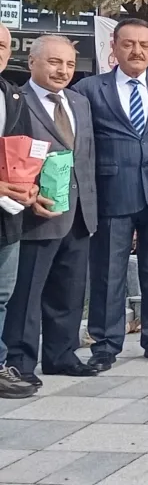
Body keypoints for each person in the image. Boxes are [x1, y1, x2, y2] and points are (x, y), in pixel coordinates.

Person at [74, 17, 148, 368]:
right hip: (111, 193)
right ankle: (105, 345)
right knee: (107, 273)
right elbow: (82, 144)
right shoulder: (89, 89)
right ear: (114, 47)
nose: (137, 51)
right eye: (129, 43)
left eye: (144, 45)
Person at [4, 35, 97, 380]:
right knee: (27, 295)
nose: (63, 70)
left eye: (70, 64)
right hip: (36, 213)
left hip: (79, 213)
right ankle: (21, 362)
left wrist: (91, 206)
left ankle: (62, 355)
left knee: (69, 290)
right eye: (54, 62)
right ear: (32, 62)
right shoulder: (17, 101)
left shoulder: (79, 102)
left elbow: (87, 156)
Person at [0, 26, 41, 398]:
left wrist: (32, 186)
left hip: (8, 215)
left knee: (2, 294)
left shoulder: (12, 96)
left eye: (2, 45)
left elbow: (26, 151)